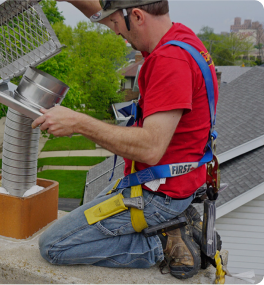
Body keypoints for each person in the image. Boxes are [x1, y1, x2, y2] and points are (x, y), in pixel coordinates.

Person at [32, 0, 219, 279]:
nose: (114, 31)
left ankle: (162, 243)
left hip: (157, 196)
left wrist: (79, 122)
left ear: (138, 16)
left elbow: (151, 147)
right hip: (173, 182)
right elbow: (100, 12)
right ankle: (171, 225)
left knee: (53, 245)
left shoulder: (170, 62)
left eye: (116, 24)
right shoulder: (179, 38)